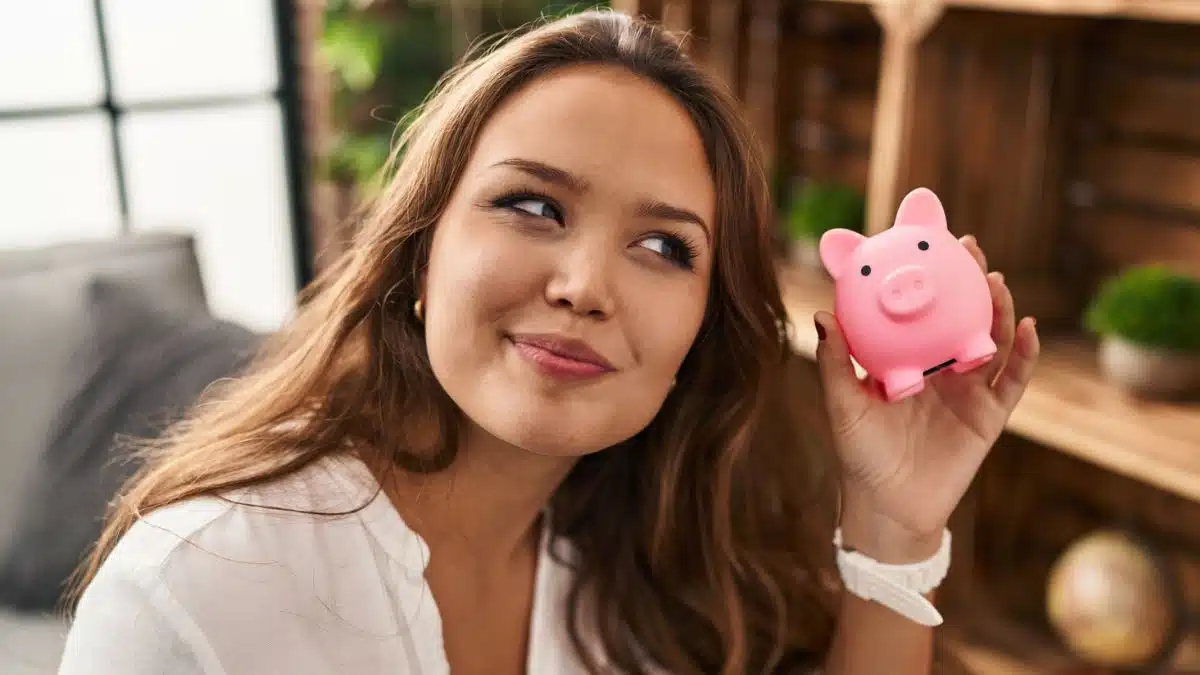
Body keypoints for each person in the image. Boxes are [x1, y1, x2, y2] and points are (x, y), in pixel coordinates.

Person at [58, 9, 1039, 675]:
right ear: (419, 247)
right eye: (532, 204)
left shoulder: (646, 574)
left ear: (705, 326)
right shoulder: (199, 591)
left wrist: (895, 527)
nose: (584, 288)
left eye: (663, 246)